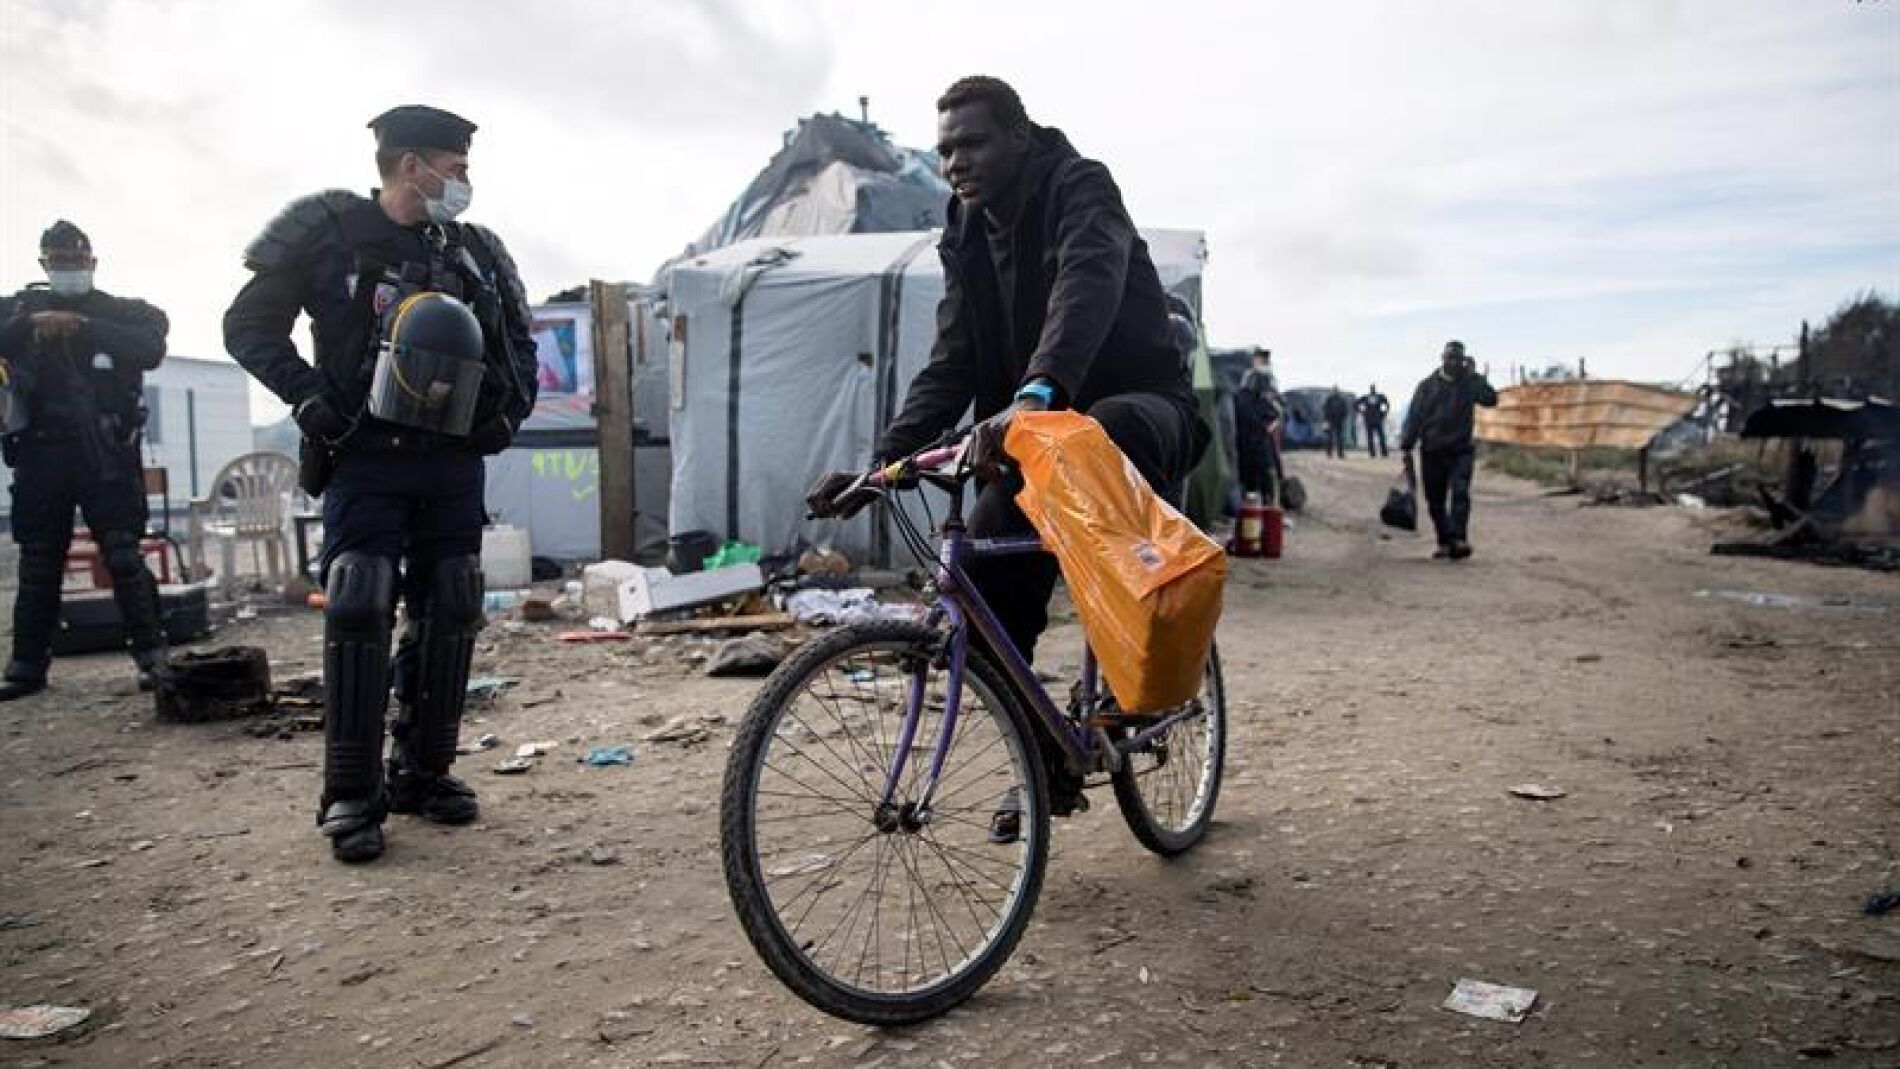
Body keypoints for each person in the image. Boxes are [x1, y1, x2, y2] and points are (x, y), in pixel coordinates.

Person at [224, 105, 538, 862]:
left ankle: (424, 772)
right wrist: (306, 395)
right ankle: (351, 793)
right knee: (361, 599)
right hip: (363, 453)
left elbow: (518, 352)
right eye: (454, 170)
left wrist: (502, 419)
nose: (463, 184)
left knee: (454, 599)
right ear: (411, 166)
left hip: (449, 460)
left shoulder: (476, 253)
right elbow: (248, 326)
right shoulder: (330, 232)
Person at [874, 75, 1207, 697]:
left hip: (1142, 409)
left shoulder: (1079, 187)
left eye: (971, 144)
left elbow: (1086, 286)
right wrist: (878, 462)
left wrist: (1039, 389)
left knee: (1103, 427)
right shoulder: (964, 229)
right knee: (982, 575)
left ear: (1020, 137)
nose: (954, 164)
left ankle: (1139, 662)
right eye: (945, 151)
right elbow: (954, 358)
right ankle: (1042, 759)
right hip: (1037, 437)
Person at [0, 222, 169, 701]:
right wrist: (30, 325)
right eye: (58, 263)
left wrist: (86, 327)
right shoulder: (18, 309)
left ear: (92, 264)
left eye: (75, 263)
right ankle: (27, 665)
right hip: (40, 450)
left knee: (122, 553)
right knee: (39, 560)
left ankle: (153, 656)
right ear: (43, 265)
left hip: (104, 451)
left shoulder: (122, 312)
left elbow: (150, 347)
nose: (68, 271)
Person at [1399, 340, 1498, 560]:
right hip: (1433, 450)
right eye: (1449, 358)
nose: (1453, 362)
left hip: (1461, 450)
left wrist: (1477, 377)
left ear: (1463, 361)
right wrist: (1406, 444)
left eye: (1458, 359)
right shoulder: (1426, 386)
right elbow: (1415, 417)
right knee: (1435, 500)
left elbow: (1491, 399)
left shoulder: (1469, 383)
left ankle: (1459, 539)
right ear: (1442, 358)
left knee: (1461, 493)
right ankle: (1444, 541)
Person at [1357, 383, 1390, 458]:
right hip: (1372, 419)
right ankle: (1375, 453)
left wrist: (1383, 413)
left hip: (1375, 419)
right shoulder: (1367, 397)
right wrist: (1362, 412)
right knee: (1373, 437)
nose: (1372, 389)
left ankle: (1381, 453)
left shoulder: (1378, 396)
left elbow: (1387, 404)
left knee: (1379, 437)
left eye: (1373, 388)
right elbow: (1356, 404)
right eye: (1372, 388)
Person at [1322, 386, 1352, 458]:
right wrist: (1342, 418)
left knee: (1331, 438)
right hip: (1336, 421)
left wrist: (1326, 419)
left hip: (1332, 421)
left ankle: (1330, 454)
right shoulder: (1339, 400)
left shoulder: (1329, 399)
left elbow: (1325, 410)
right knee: (1337, 438)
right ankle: (1339, 454)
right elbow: (1345, 411)